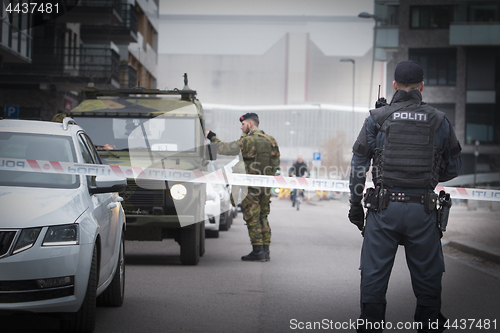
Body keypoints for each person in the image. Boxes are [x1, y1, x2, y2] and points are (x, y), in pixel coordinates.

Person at [348, 60, 462, 333]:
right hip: (423, 211)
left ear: (395, 85)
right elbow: (454, 168)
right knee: (428, 280)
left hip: (383, 210)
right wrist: (428, 178)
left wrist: (355, 206)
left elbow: (358, 168)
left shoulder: (377, 118)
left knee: (374, 276)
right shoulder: (439, 120)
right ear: (422, 86)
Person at [207, 113, 280, 262]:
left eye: (243, 124)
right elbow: (276, 162)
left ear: (250, 125)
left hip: (250, 186)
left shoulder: (248, 141)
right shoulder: (271, 140)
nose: (241, 127)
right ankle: (266, 251)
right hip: (265, 186)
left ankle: (257, 251)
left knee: (252, 217)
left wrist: (212, 137)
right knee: (263, 217)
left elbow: (225, 149)